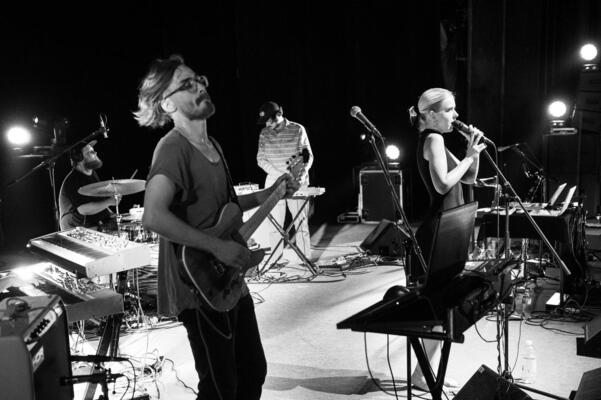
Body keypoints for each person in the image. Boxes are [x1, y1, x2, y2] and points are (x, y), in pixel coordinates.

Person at [134, 55, 299, 400]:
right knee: (221, 387)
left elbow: (229, 207)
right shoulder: (173, 148)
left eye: (199, 79)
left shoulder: (214, 146)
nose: (199, 87)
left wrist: (272, 192)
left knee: (252, 371)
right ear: (167, 104)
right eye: (187, 84)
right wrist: (216, 247)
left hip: (226, 280)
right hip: (197, 285)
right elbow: (153, 216)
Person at [407, 88, 485, 390]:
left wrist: (472, 152)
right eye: (450, 110)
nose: (456, 115)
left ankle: (422, 373)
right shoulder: (433, 139)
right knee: (439, 307)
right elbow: (442, 185)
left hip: (449, 229)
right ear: (430, 114)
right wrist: (469, 157)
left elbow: (468, 177)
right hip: (438, 232)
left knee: (444, 308)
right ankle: (422, 375)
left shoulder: (435, 139)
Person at [256, 101, 314, 263]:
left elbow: (308, 156)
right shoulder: (264, 133)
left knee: (300, 222)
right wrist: (280, 175)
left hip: (296, 181)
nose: (267, 124)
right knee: (274, 225)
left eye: (269, 120)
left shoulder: (298, 129)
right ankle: (276, 260)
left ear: (279, 114)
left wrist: (300, 176)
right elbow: (261, 159)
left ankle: (305, 258)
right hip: (274, 181)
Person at [58, 140, 118, 230]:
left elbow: (98, 200)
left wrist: (111, 213)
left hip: (89, 222)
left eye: (94, 151)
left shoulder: (92, 173)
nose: (95, 153)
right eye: (90, 152)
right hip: (75, 227)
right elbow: (83, 209)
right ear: (79, 158)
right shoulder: (73, 180)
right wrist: (109, 202)